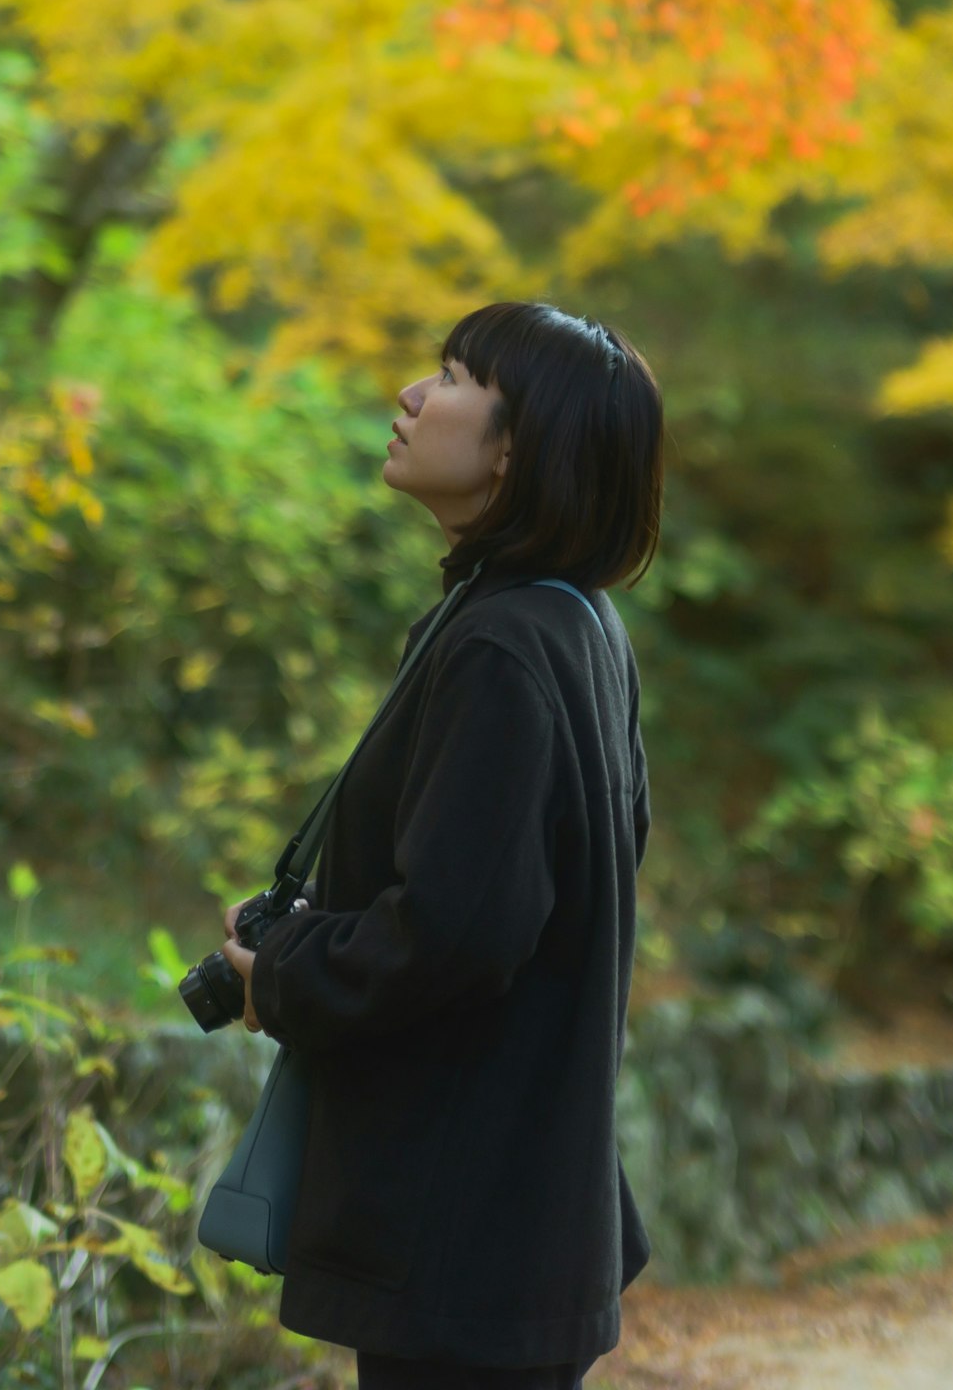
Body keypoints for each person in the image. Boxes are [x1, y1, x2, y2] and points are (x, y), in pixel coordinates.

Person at [215, 303, 662, 1389]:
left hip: (461, 1232)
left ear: (517, 450)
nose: (412, 395)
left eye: (454, 377)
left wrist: (286, 972)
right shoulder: (576, 626)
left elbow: (458, 932)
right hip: (516, 1218)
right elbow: (508, 895)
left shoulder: (503, 645)